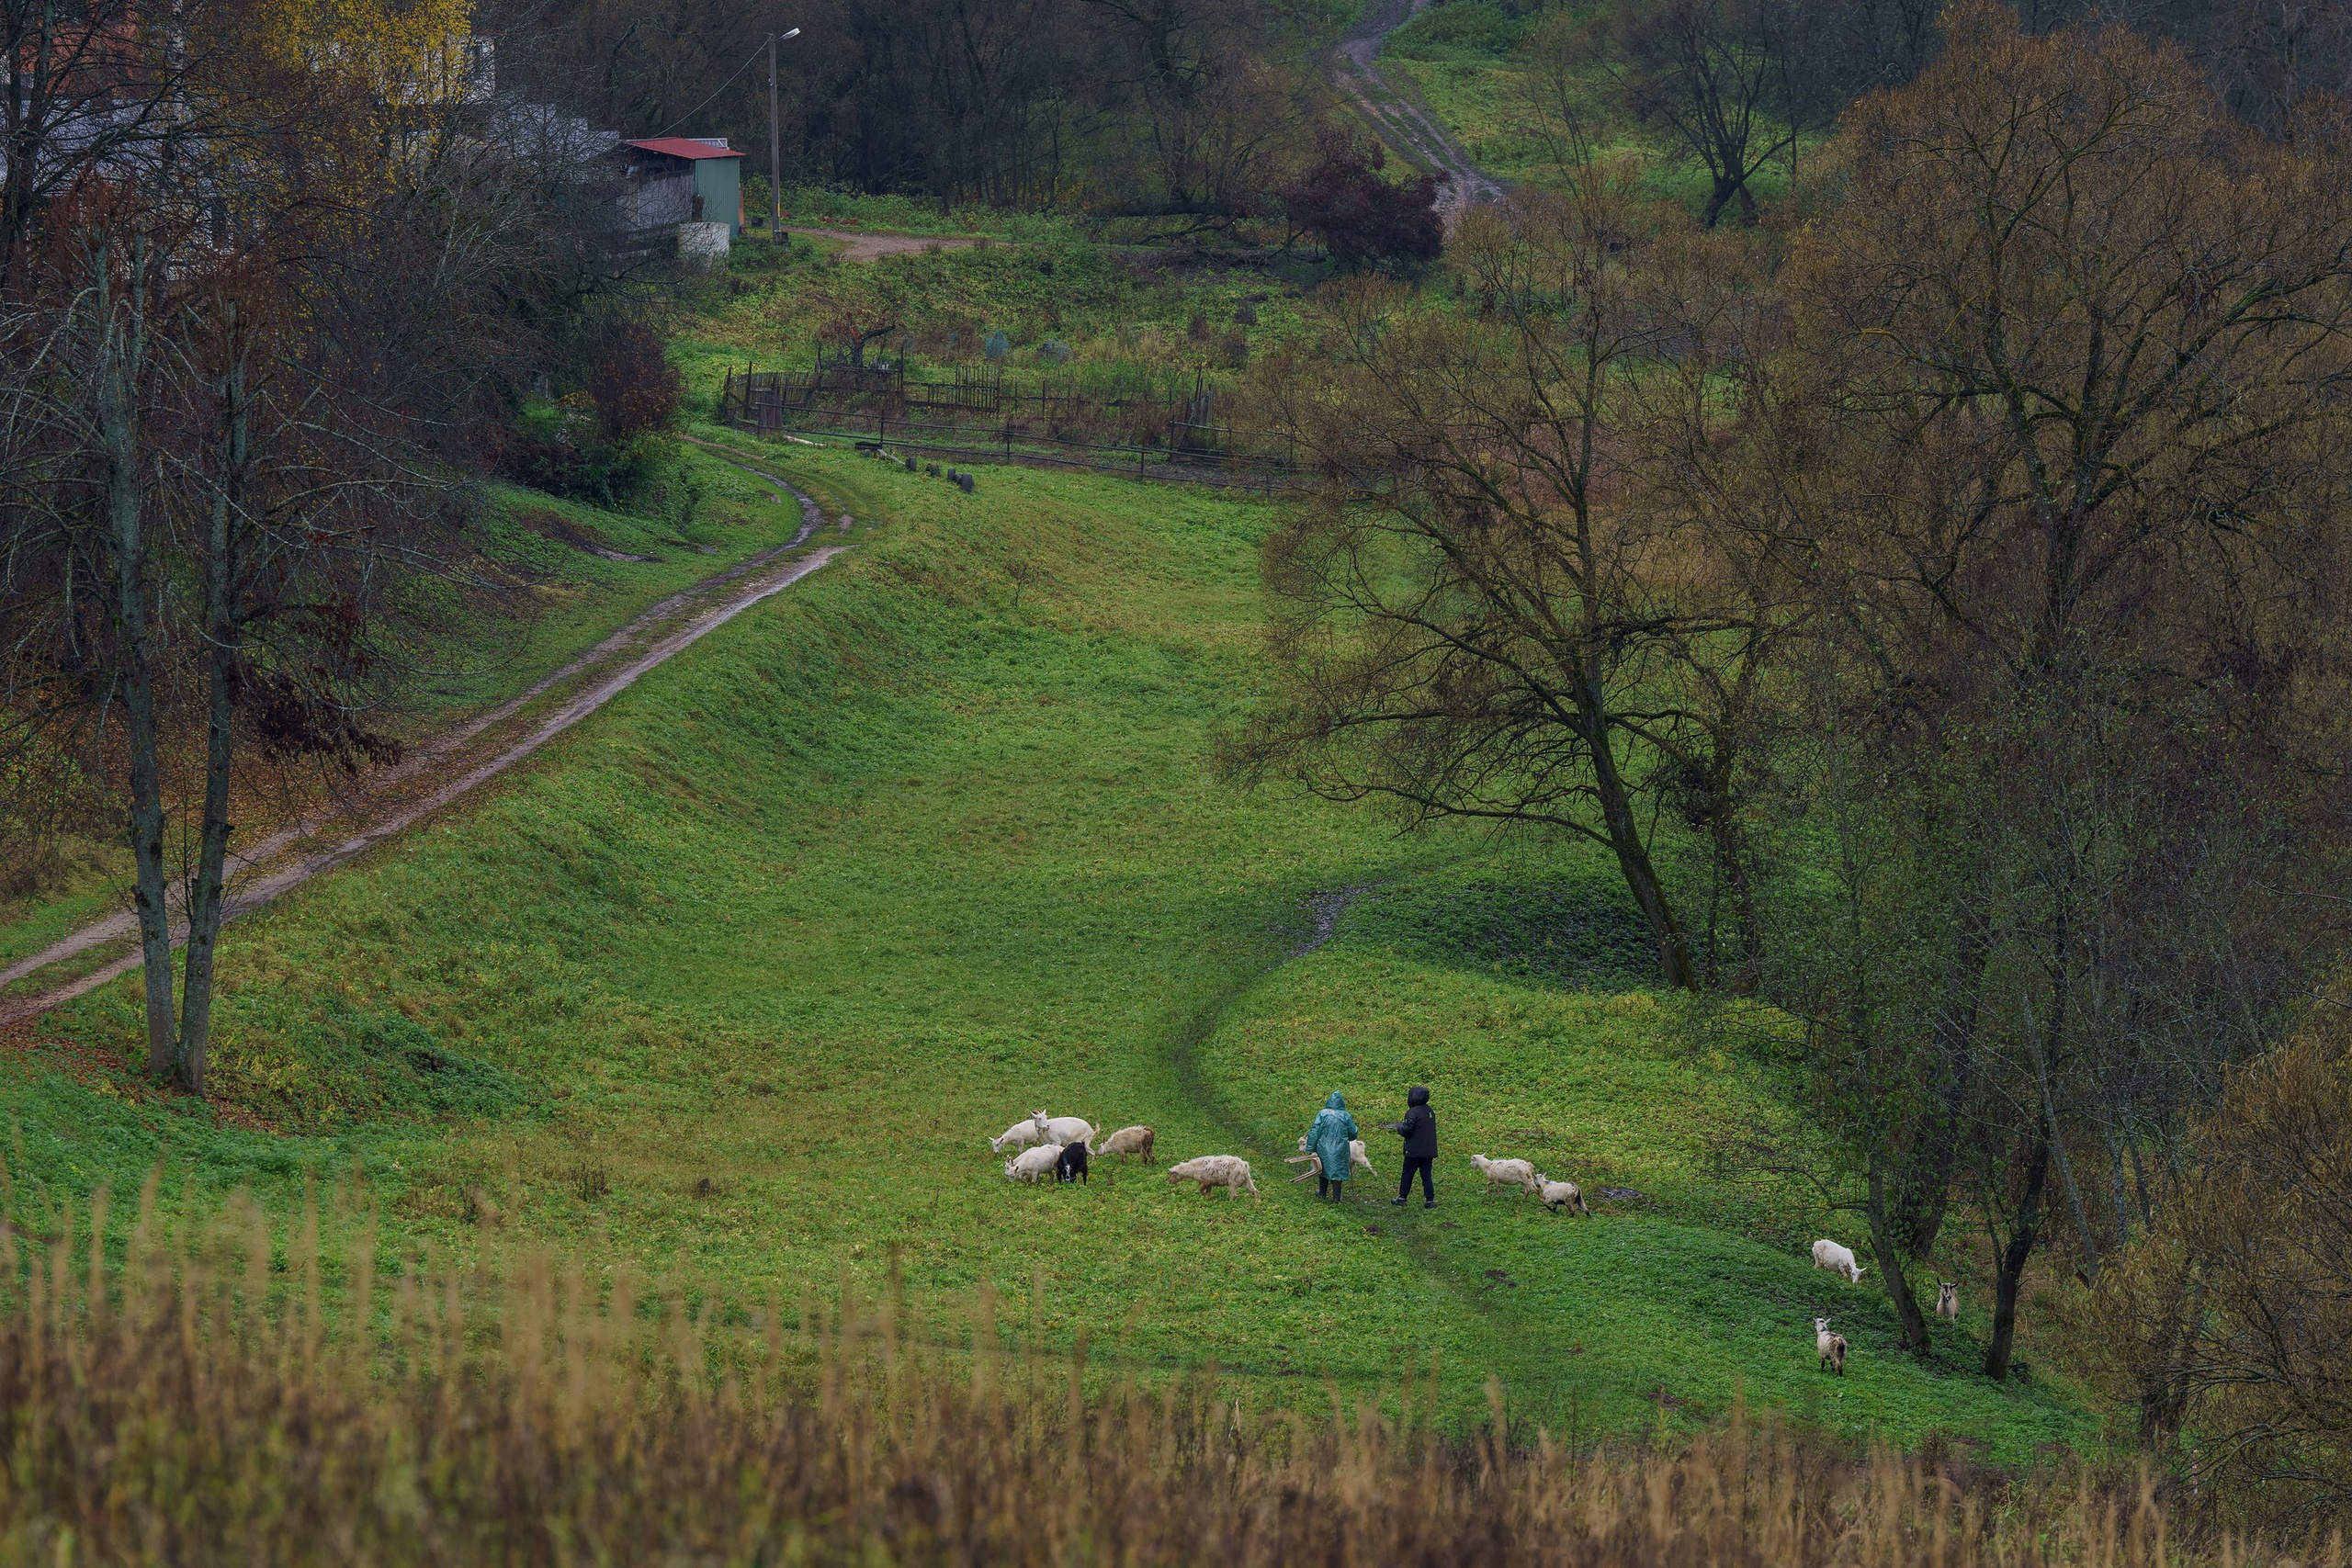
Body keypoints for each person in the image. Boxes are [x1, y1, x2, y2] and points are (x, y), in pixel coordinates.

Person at [1385, 1085, 1437, 1207]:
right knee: (1426, 1175)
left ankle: (1402, 1198)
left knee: (1407, 1173)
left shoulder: (1412, 1112)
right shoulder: (1430, 1111)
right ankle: (1430, 1200)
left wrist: (1399, 1128)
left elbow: (1407, 1130)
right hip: (1428, 1150)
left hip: (1414, 1150)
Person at [1303, 1091, 1359, 1201]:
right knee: (1337, 1171)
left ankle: (1322, 1192)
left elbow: (1314, 1132)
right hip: (1339, 1149)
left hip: (1322, 1147)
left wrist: (1310, 1148)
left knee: (1322, 1167)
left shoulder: (1322, 1114)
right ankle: (1336, 1198)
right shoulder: (1345, 1115)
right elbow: (1353, 1133)